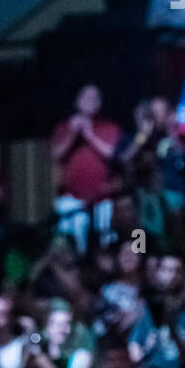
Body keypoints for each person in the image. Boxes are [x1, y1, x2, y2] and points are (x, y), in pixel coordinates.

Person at [51, 85, 122, 248]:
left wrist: (89, 134)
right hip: (72, 198)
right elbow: (56, 154)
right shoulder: (64, 127)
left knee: (106, 243)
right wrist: (73, 133)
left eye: (94, 98)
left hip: (102, 198)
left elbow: (111, 154)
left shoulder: (109, 128)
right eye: (86, 97)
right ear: (77, 101)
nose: (90, 101)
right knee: (71, 244)